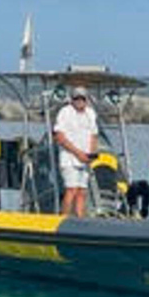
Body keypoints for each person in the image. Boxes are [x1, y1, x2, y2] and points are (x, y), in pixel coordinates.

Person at [54, 86, 99, 217]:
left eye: (82, 98)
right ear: (72, 99)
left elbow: (94, 135)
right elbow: (60, 136)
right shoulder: (65, 112)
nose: (79, 101)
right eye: (76, 98)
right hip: (69, 159)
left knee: (82, 192)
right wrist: (77, 153)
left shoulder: (91, 113)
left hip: (85, 160)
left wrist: (90, 155)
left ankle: (80, 220)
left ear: (86, 100)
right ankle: (63, 218)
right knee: (71, 190)